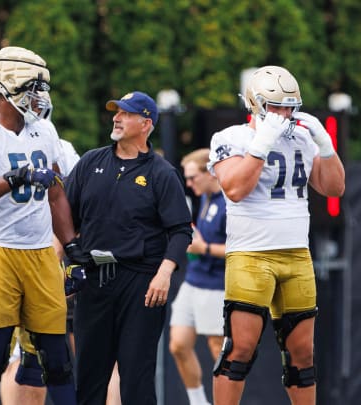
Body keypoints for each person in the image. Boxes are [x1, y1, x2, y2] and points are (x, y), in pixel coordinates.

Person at [209, 66, 345, 405]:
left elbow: (334, 187)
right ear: (255, 104)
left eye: (289, 107)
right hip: (251, 255)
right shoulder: (231, 137)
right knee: (239, 349)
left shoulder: (301, 138)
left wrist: (326, 147)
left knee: (302, 356)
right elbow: (236, 189)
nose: (284, 114)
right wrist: (262, 144)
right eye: (276, 107)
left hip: (297, 254)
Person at [0, 45, 80, 405]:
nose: (40, 96)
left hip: (40, 253)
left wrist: (71, 248)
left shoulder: (45, 131)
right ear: (8, 87)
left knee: (56, 358)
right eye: (34, 87)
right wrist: (16, 177)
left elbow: (56, 195)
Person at [65, 91, 193, 404]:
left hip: (141, 284)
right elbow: (65, 219)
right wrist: (63, 262)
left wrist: (164, 274)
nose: (116, 118)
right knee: (87, 378)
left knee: (136, 380)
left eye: (126, 113)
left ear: (146, 123)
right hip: (94, 280)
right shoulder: (90, 162)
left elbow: (180, 231)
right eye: (116, 112)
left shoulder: (162, 173)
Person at [168, 148, 227, 405]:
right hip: (193, 281)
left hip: (217, 286)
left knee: (218, 350)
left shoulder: (230, 202)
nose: (189, 184)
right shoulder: (205, 197)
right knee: (178, 345)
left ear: (211, 172)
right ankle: (198, 402)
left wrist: (203, 248)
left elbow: (242, 250)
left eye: (193, 178)